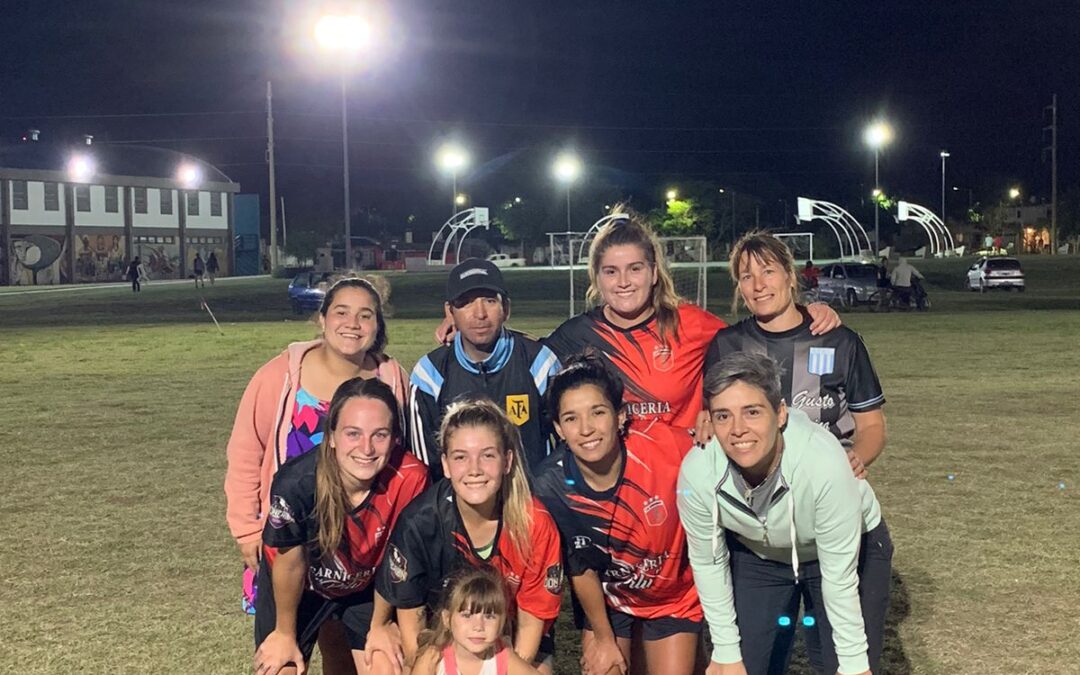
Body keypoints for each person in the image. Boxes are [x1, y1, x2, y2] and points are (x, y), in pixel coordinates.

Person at [678, 352, 893, 675]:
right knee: (747, 665)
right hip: (759, 553)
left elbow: (839, 577)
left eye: (752, 412)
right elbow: (708, 561)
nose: (738, 429)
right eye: (723, 416)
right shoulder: (698, 471)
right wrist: (725, 651)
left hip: (846, 551)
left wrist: (853, 664)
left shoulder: (823, 462)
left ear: (780, 413)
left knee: (841, 664)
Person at [226, 277, 409, 631]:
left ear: (378, 326)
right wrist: (247, 529)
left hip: (363, 546)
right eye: (341, 312)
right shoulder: (280, 376)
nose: (353, 324)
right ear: (322, 319)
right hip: (292, 538)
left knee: (345, 644)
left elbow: (401, 457)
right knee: (285, 641)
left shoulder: (390, 378)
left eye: (365, 315)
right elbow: (246, 452)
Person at [533, 354, 702, 675]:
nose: (586, 429)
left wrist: (710, 427)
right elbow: (580, 568)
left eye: (598, 412)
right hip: (612, 600)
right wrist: (603, 637)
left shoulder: (668, 446)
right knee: (605, 666)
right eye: (571, 418)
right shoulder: (550, 486)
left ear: (620, 415)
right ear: (558, 429)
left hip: (672, 597)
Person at [371, 399, 564, 674]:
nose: (474, 469)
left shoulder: (535, 523)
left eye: (488, 455)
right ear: (446, 464)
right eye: (461, 457)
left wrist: (501, 667)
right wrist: (422, 666)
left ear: (507, 461)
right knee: (384, 664)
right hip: (441, 633)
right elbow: (412, 615)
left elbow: (532, 619)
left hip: (507, 633)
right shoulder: (420, 522)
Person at [254, 378, 429, 675]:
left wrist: (381, 624)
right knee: (281, 667)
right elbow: (290, 563)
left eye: (380, 435)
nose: (366, 448)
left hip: (368, 588)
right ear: (331, 436)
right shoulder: (296, 483)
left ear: (395, 439)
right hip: (300, 588)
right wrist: (284, 632)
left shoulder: (411, 478)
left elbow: (398, 558)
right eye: (353, 433)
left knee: (386, 665)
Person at [705, 232, 886, 479]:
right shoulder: (726, 345)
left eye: (768, 271)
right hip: (753, 489)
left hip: (824, 481)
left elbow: (872, 425)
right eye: (747, 277)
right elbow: (710, 418)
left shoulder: (841, 341)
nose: (758, 285)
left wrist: (853, 460)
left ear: (790, 276)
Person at [409, 259, 561, 479]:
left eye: (490, 300)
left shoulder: (540, 363)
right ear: (450, 312)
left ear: (506, 308)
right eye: (466, 302)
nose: (480, 314)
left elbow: (565, 446)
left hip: (531, 497)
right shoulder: (429, 375)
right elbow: (426, 470)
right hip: (462, 498)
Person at [411, 569, 540, 675]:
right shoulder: (434, 659)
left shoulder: (503, 658)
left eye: (489, 617)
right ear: (447, 619)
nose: (478, 626)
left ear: (502, 622)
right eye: (467, 615)